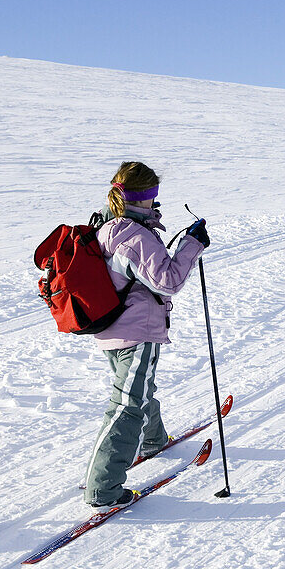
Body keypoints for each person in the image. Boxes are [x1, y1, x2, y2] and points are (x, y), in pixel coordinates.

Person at [83, 161, 211, 511]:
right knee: (126, 405)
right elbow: (167, 281)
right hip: (137, 332)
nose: (155, 203)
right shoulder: (134, 237)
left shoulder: (106, 226)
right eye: (152, 197)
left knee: (136, 390)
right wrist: (191, 246)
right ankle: (103, 489)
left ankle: (152, 440)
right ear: (141, 197)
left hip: (111, 328)